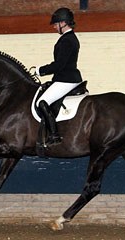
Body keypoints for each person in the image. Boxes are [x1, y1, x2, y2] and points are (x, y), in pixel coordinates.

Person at [35, 7, 83, 146]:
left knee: (42, 102)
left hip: (66, 79)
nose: (55, 27)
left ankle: (54, 135)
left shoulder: (67, 40)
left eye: (56, 24)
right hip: (67, 77)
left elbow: (59, 65)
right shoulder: (69, 38)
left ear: (63, 23)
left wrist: (40, 70)